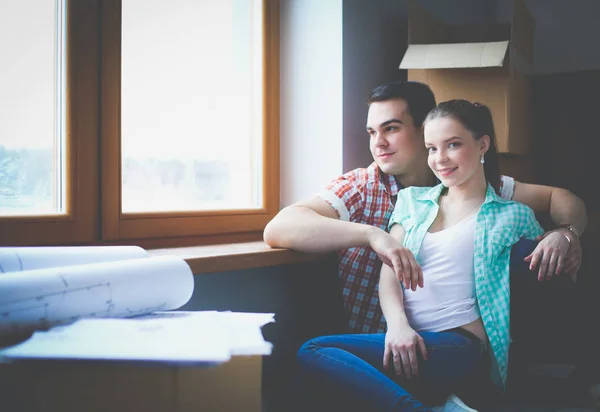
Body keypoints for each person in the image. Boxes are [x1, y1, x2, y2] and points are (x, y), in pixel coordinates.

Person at [263, 81, 586, 336]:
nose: (378, 143)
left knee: (527, 245)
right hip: (380, 339)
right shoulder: (362, 186)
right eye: (372, 132)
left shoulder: (468, 181)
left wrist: (566, 233)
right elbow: (278, 228)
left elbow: (562, 198)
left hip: (455, 336)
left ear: (426, 129)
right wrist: (374, 236)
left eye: (391, 128)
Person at [295, 99, 549, 411]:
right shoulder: (412, 201)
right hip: (407, 339)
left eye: (453, 145)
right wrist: (398, 325)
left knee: (315, 349)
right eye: (431, 148)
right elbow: (389, 274)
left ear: (482, 145)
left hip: (461, 345)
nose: (440, 159)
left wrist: (563, 235)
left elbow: (552, 260)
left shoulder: (511, 215)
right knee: (316, 357)